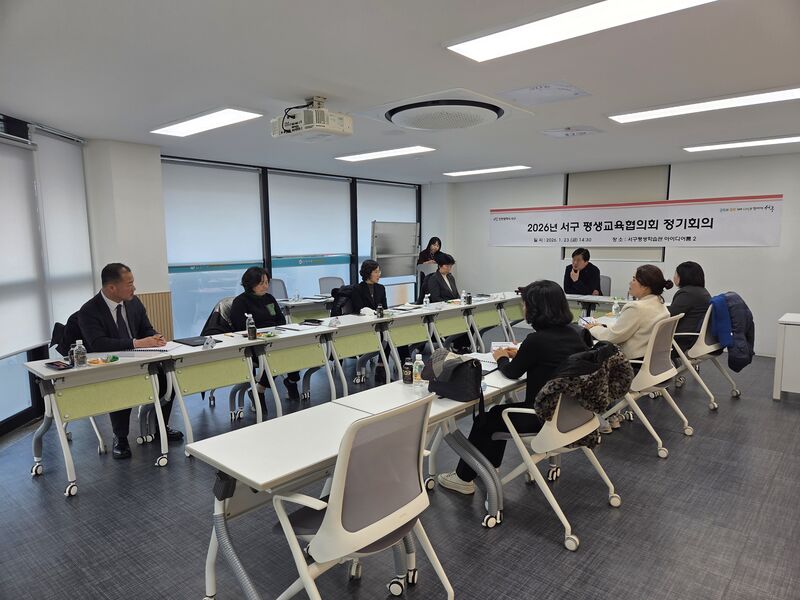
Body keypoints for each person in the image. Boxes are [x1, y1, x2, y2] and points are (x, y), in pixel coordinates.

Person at [437, 280, 588, 495]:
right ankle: (490, 467)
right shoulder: (575, 334)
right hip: (572, 415)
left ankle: (463, 478)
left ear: (536, 309)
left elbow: (511, 372)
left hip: (542, 417)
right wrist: (523, 354)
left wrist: (500, 357)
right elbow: (549, 359)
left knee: (487, 418)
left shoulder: (536, 340)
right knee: (498, 413)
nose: (523, 308)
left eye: (525, 304)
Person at [78, 263, 181, 459]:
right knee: (122, 385)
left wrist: (155, 337)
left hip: (139, 362)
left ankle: (160, 427)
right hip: (110, 366)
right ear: (112, 288)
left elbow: (145, 329)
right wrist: (137, 343)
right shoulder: (89, 310)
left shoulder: (134, 303)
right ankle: (120, 437)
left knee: (167, 378)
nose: (134, 288)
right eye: (129, 284)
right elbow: (98, 344)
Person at [230, 266, 301, 403]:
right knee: (276, 355)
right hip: (254, 344)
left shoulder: (269, 298)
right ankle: (260, 389)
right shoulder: (240, 302)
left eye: (267, 282)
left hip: (273, 339)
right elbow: (240, 328)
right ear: (251, 283)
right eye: (261, 283)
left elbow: (280, 320)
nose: (266, 286)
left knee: (295, 349)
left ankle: (291, 381)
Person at [584, 264, 672, 360]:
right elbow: (626, 329)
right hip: (651, 359)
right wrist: (603, 326)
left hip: (630, 362)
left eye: (634, 280)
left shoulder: (636, 308)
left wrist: (592, 328)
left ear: (645, 286)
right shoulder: (659, 303)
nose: (630, 283)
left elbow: (612, 337)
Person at [668, 261, 712, 352]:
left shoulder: (686, 293)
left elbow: (669, 315)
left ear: (683, 276)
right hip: (695, 339)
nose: (674, 277)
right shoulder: (702, 291)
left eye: (676, 274)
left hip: (682, 342)